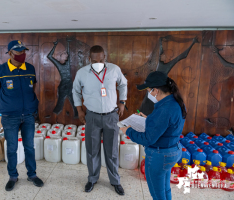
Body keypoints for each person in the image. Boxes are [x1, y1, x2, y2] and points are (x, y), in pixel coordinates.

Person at [120, 71, 186, 200]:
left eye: (149, 90)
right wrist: (148, 119)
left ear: (155, 90)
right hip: (172, 150)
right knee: (165, 189)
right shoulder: (175, 102)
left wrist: (127, 130)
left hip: (160, 155)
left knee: (157, 195)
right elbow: (167, 124)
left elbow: (147, 139)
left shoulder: (164, 109)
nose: (148, 93)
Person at [72, 45, 128, 195]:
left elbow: (123, 84)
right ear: (89, 59)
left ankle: (115, 181)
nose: (98, 61)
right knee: (92, 150)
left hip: (111, 116)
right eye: (94, 59)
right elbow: (75, 91)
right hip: (92, 116)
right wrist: (79, 110)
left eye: (101, 59)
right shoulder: (82, 73)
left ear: (105, 57)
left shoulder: (114, 69)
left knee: (112, 151)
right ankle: (92, 179)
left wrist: (122, 102)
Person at [0, 40, 44, 191]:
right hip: (10, 116)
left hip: (28, 114)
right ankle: (13, 176)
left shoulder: (30, 68)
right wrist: (8, 102)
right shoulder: (0, 70)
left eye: (23, 51)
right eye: (18, 52)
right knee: (12, 148)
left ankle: (32, 175)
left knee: (29, 146)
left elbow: (32, 88)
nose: (22, 54)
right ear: (10, 53)